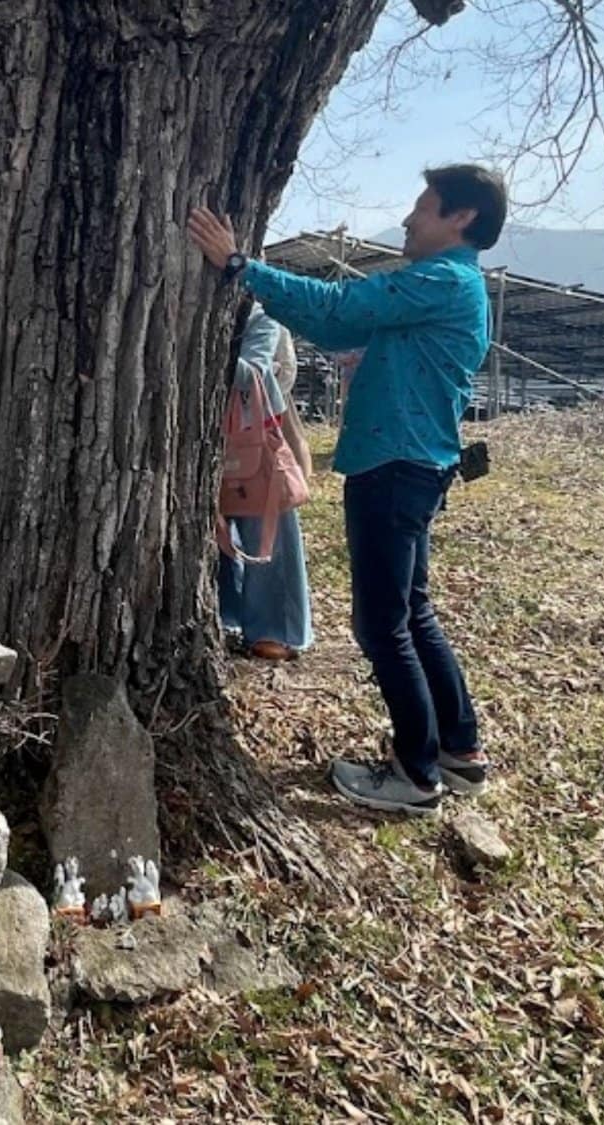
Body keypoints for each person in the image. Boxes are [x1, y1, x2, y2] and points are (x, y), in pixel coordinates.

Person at [188, 163, 505, 816]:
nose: (409, 219)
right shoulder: (450, 287)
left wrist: (239, 267)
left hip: (394, 468)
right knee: (412, 613)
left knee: (382, 623)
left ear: (461, 218)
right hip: (412, 466)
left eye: (424, 206)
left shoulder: (442, 280)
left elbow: (339, 308)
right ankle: (458, 749)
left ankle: (416, 775)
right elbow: (336, 329)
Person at [218, 303, 314, 661]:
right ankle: (223, 613)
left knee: (268, 532)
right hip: (196, 435)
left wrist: (204, 346)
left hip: (252, 435)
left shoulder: (260, 315)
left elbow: (254, 373)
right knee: (212, 538)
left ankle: (276, 628)